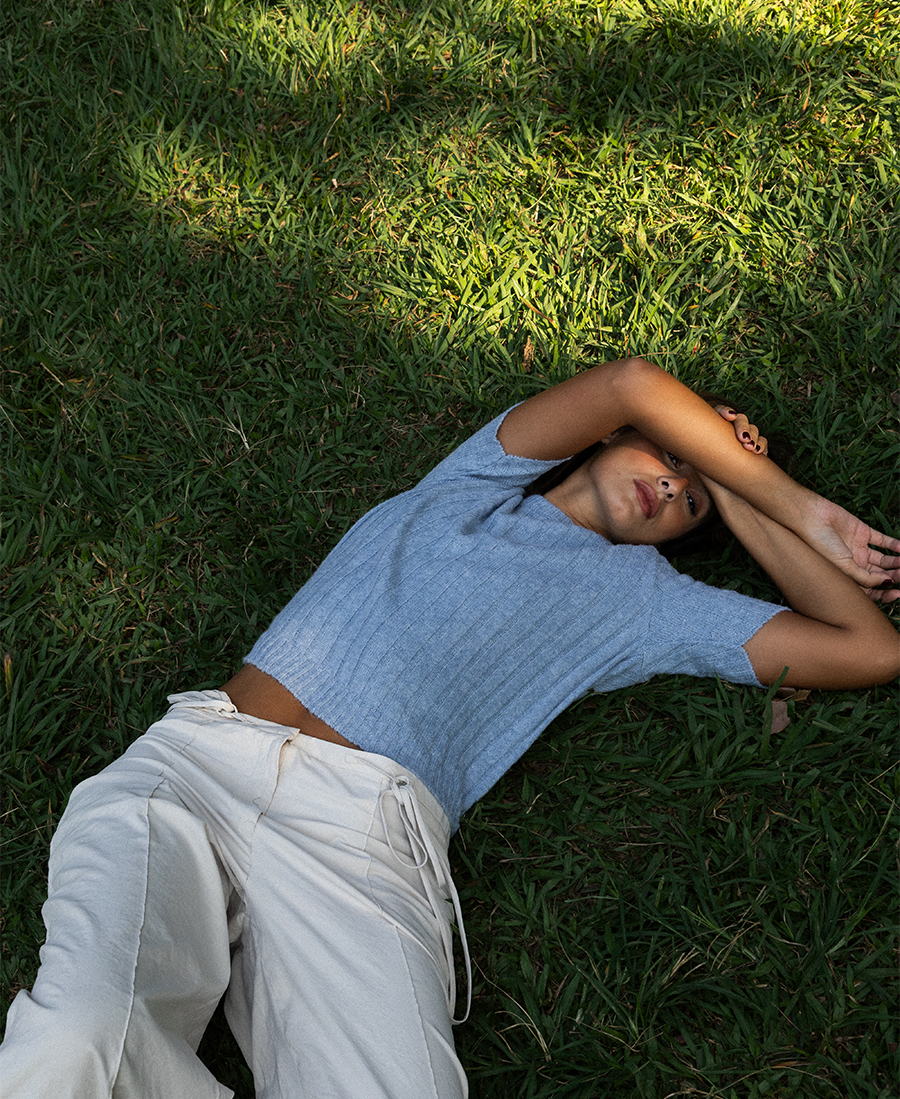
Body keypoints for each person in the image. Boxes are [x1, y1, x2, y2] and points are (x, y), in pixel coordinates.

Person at [2, 358, 899, 1099]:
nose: (672, 483)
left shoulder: (648, 605)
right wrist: (781, 491)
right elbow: (630, 380)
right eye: (671, 454)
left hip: (359, 842)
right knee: (77, 1037)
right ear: (613, 438)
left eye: (693, 502)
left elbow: (868, 649)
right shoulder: (475, 480)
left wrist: (756, 504)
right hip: (196, 770)